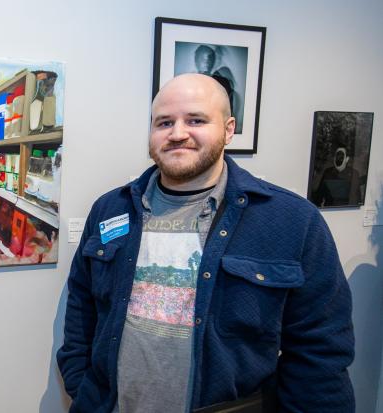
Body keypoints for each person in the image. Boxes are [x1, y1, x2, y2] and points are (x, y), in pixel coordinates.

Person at [57, 73, 355, 412]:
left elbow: (320, 352)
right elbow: (82, 305)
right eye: (164, 122)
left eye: (195, 120)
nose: (178, 133)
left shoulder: (292, 221)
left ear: (228, 129)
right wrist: (82, 386)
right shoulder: (111, 208)